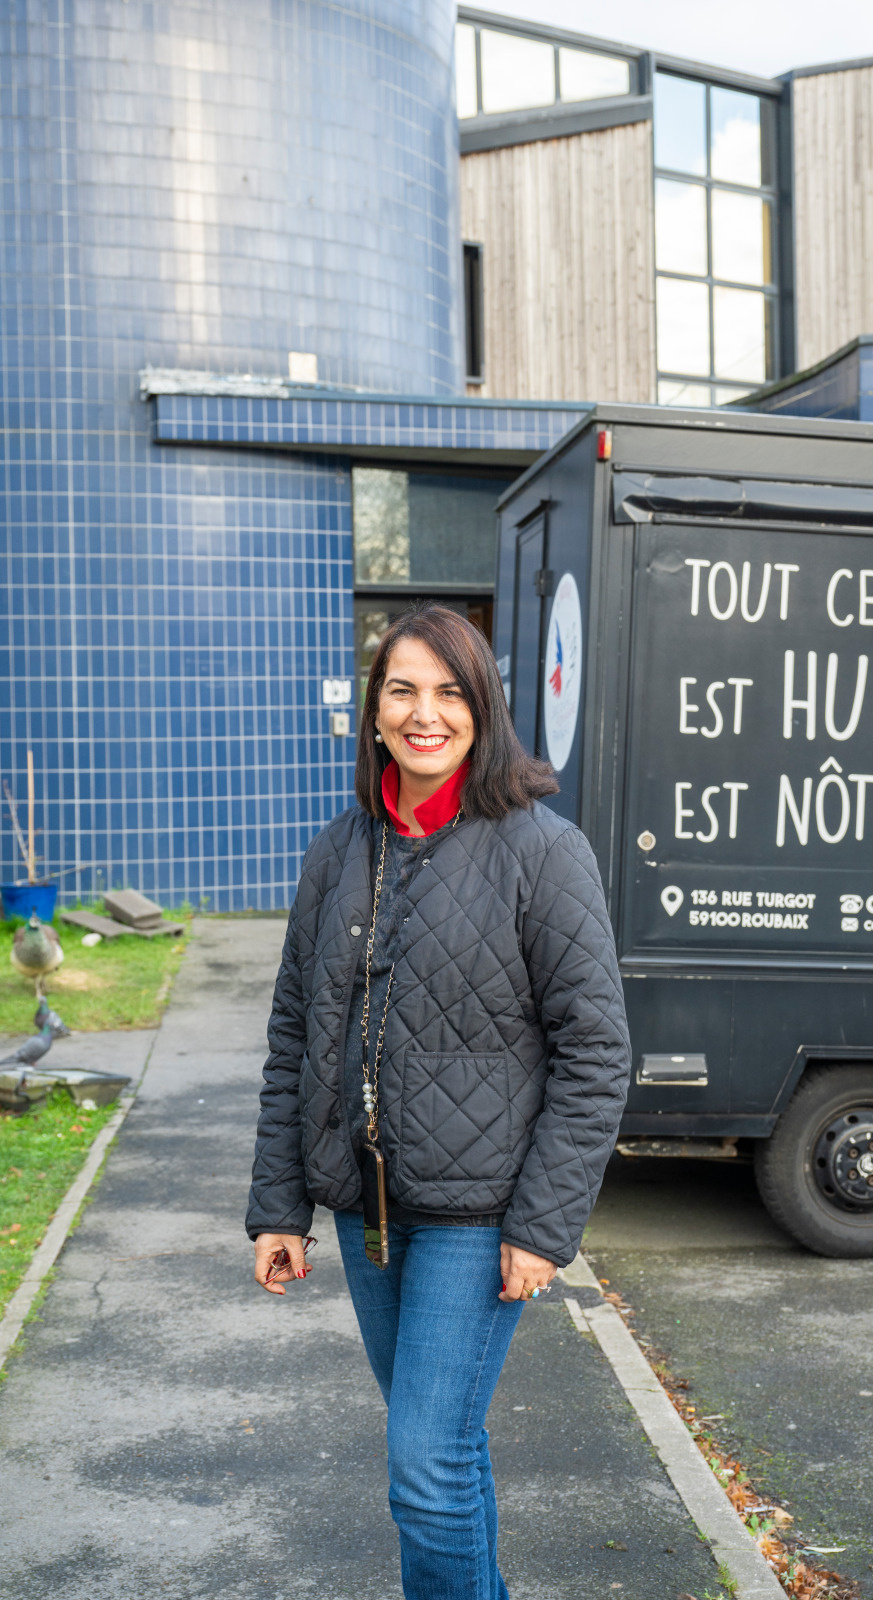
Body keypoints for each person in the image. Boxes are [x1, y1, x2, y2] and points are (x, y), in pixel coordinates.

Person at [246, 603, 631, 1600]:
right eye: (402, 689)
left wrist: (542, 1226)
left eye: (449, 692)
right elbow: (295, 1035)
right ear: (373, 711)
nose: (425, 713)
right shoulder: (337, 851)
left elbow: (596, 1053)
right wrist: (280, 1205)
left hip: (481, 1215)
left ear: (483, 709)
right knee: (444, 1458)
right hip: (367, 1212)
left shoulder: (541, 851)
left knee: (422, 1470)